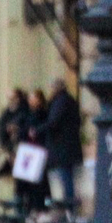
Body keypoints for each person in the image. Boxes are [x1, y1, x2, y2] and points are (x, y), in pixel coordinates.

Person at [41, 80, 81, 209]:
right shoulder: (67, 101)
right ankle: (68, 206)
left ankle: (69, 208)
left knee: (66, 179)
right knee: (66, 178)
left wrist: (37, 130)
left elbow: (53, 122)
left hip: (63, 148)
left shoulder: (61, 102)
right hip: (66, 147)